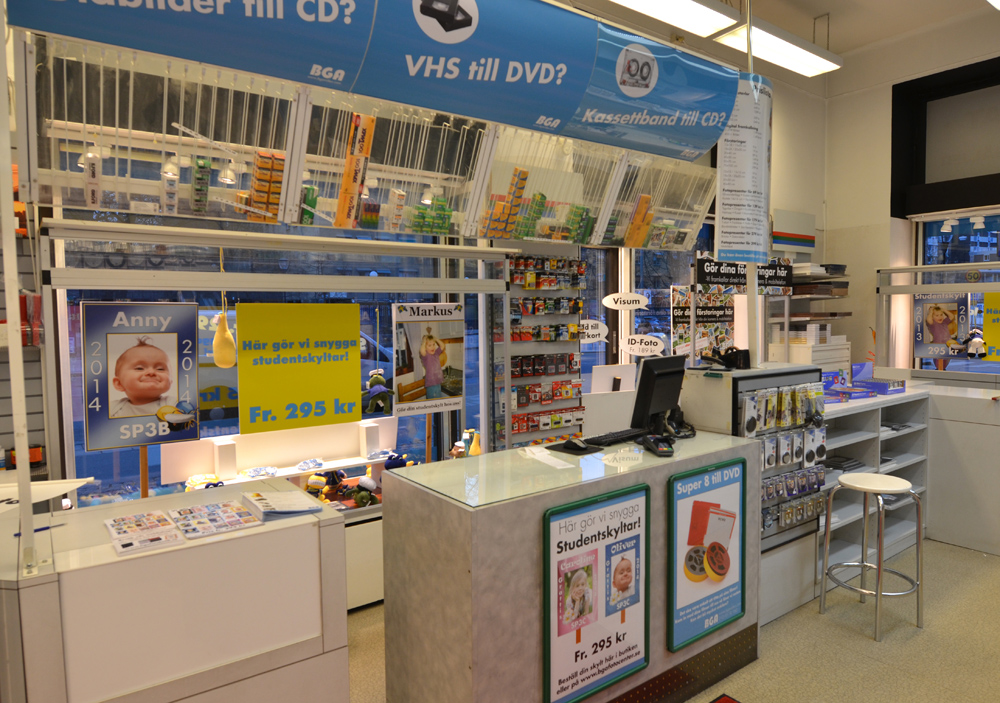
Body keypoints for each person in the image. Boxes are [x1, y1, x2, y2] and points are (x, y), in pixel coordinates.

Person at [109, 336, 173, 418]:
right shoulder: (113, 408)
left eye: (160, 369)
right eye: (139, 368)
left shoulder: (172, 404)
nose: (151, 372)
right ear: (119, 384)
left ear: (171, 380)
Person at [925, 304, 957, 371]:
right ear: (932, 317)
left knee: (946, 361)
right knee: (938, 362)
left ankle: (943, 369)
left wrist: (944, 310)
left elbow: (952, 316)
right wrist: (931, 312)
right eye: (937, 315)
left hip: (947, 345)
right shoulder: (933, 324)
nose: (940, 317)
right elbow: (928, 319)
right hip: (938, 346)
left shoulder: (944, 322)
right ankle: (938, 369)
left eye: (941, 315)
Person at [419, 327, 446, 399]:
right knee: (432, 402)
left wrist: (435, 339)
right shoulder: (426, 356)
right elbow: (422, 351)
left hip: (438, 382)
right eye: (429, 345)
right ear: (425, 347)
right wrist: (424, 342)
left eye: (434, 344)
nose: (432, 347)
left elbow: (442, 346)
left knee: (438, 400)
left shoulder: (436, 353)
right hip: (431, 384)